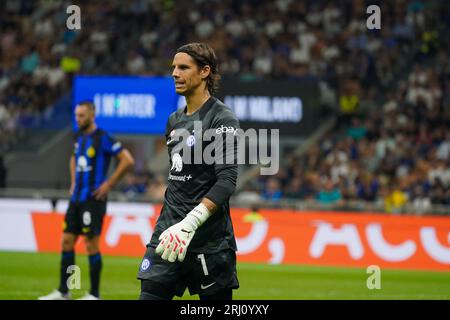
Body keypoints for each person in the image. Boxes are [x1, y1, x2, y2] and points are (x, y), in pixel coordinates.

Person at [137, 42, 240, 300]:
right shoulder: (174, 120)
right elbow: (180, 176)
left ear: (205, 71)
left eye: (183, 67)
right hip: (169, 234)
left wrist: (190, 222)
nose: (175, 73)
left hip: (209, 241)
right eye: (173, 67)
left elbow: (227, 180)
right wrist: (176, 225)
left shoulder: (222, 118)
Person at [38, 101, 135, 300]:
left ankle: (94, 294)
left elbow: (127, 160)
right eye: (76, 115)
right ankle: (64, 290)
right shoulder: (79, 138)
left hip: (93, 199)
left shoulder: (103, 138)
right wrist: (74, 181)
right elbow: (73, 158)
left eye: (81, 115)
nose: (78, 119)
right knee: (66, 241)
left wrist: (108, 184)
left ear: (92, 115)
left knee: (91, 244)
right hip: (76, 199)